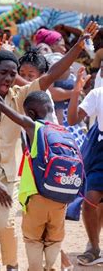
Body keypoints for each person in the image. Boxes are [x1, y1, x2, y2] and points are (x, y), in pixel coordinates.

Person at [0, 21, 97, 271]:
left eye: (13, 74)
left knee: (7, 226)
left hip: (11, 175)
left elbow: (52, 74)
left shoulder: (19, 96)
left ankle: (11, 265)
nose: (9, 79)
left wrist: (77, 47)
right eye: (4, 73)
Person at [67, 68, 103, 266]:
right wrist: (75, 93)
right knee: (90, 201)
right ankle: (95, 248)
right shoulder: (98, 94)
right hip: (100, 151)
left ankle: (93, 243)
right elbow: (72, 119)